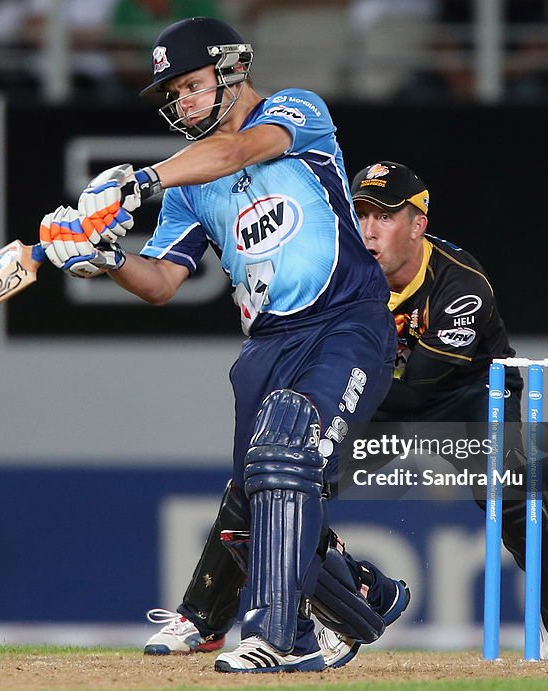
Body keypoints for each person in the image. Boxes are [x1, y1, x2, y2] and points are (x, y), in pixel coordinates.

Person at [37, 17, 403, 673]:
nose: (182, 103)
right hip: (266, 346)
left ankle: (279, 635)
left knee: (285, 452)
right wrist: (105, 256)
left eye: (192, 85)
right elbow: (160, 283)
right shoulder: (192, 185)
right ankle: (365, 596)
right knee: (251, 513)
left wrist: (139, 181)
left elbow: (237, 151)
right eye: (173, 95)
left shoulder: (296, 111)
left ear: (233, 69)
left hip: (346, 322)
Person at [140, 160, 548, 665]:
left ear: (418, 224)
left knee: (514, 493)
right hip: (377, 397)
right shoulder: (336, 269)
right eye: (359, 213)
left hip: (465, 397)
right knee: (269, 481)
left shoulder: (460, 285)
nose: (368, 230)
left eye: (384, 216)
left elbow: (418, 381)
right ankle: (204, 619)